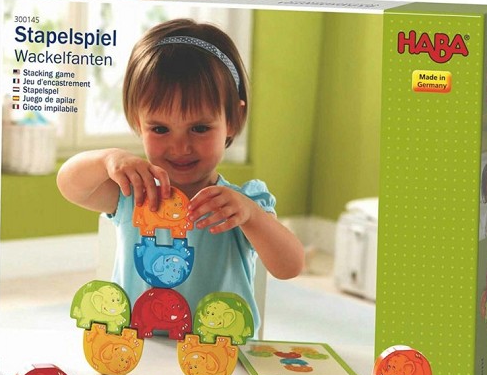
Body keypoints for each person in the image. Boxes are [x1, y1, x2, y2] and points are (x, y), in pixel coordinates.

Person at [57, 19, 305, 338]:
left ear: (233, 119)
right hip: (138, 349)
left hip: (219, 350)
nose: (180, 147)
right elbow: (69, 185)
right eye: (160, 129)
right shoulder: (133, 193)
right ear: (138, 123)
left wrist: (252, 216)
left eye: (199, 128)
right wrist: (107, 159)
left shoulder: (242, 203)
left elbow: (290, 267)